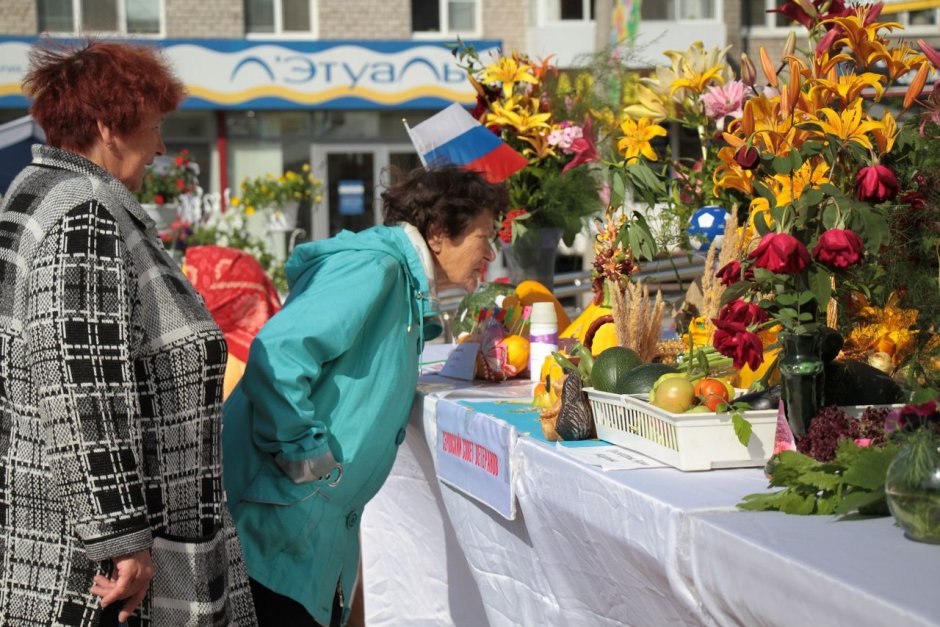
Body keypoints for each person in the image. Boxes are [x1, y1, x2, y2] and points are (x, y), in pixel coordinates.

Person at [0, 40, 255, 625]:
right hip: (94, 564)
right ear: (107, 127)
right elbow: (80, 383)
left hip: (60, 528)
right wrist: (119, 538)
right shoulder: (84, 211)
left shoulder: (38, 192)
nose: (163, 147)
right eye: (155, 126)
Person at [223, 165, 507, 626]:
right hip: (279, 525)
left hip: (306, 531)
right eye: (482, 236)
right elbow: (278, 354)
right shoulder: (375, 267)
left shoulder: (400, 280)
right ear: (437, 232)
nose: (490, 252)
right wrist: (305, 455)